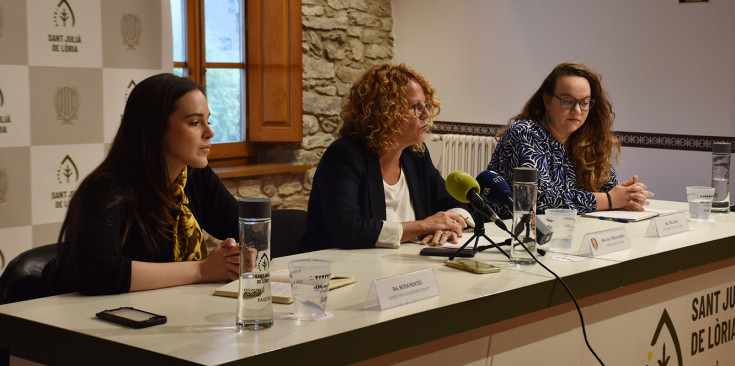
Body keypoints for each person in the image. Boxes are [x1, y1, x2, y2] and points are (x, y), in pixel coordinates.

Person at [52, 73, 240, 295]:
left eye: (208, 121)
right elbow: (97, 272)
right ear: (155, 127)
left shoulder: (193, 176)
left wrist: (240, 256)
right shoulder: (106, 189)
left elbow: (243, 226)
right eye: (195, 123)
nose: (210, 133)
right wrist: (202, 270)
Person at [300, 64, 471, 253]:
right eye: (416, 107)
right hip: (343, 271)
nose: (426, 114)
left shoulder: (416, 154)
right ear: (385, 113)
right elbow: (347, 229)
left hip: (404, 267)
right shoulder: (344, 155)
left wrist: (448, 227)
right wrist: (424, 226)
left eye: (426, 105)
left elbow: (453, 203)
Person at [487, 62, 653, 217]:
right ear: (547, 100)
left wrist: (628, 196)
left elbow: (606, 187)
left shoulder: (588, 138)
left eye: (584, 102)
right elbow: (540, 202)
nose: (577, 110)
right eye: (567, 101)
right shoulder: (524, 133)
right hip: (511, 237)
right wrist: (610, 200)